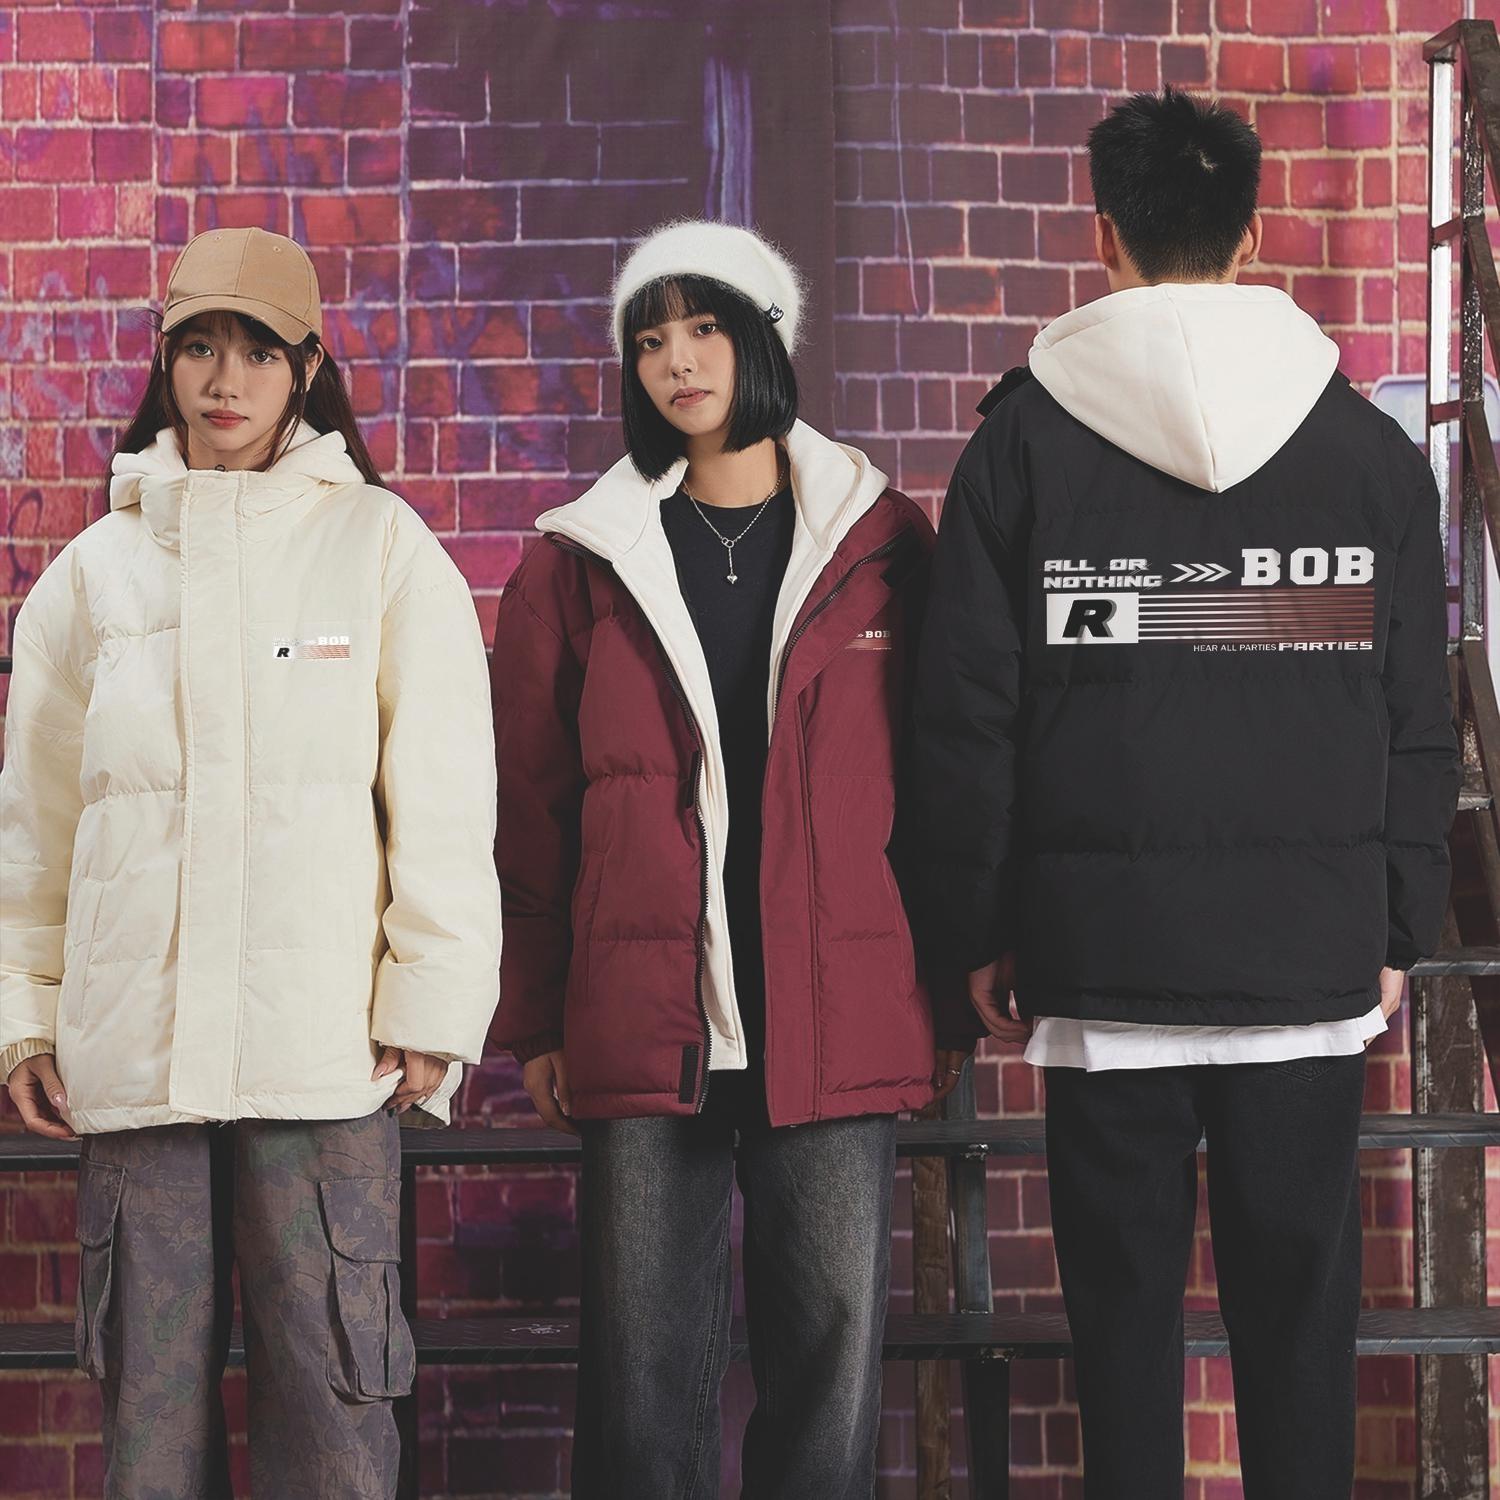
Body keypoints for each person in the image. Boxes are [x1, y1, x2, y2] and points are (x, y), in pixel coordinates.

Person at [910, 88, 1459, 1500]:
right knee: (1301, 1331)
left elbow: (966, 718)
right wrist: (1401, 926)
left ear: (1105, 236)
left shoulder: (1020, 447)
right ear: (1252, 234)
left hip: (1103, 977)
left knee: (1121, 1336)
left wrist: (976, 929)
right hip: (1310, 966)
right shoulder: (1369, 456)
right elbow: (1417, 720)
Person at [0, 227, 501, 1500]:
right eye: (199, 348)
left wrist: (432, 1002)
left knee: (334, 1420)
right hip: (137, 1058)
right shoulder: (91, 578)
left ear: (308, 367)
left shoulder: (380, 547)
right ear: (166, 361)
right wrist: (25, 1019)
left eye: (258, 352)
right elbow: (36, 829)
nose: (225, 380)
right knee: (150, 1436)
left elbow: (444, 794)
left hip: (323, 1057)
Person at [490, 219, 978, 1499]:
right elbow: (531, 813)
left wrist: (946, 992)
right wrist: (535, 1018)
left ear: (764, 340)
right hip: (644, 1015)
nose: (677, 362)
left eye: (705, 328)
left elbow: (943, 790)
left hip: (839, 1006)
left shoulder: (884, 545)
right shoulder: (577, 563)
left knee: (828, 1366)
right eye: (650, 339)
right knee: (642, 1377)